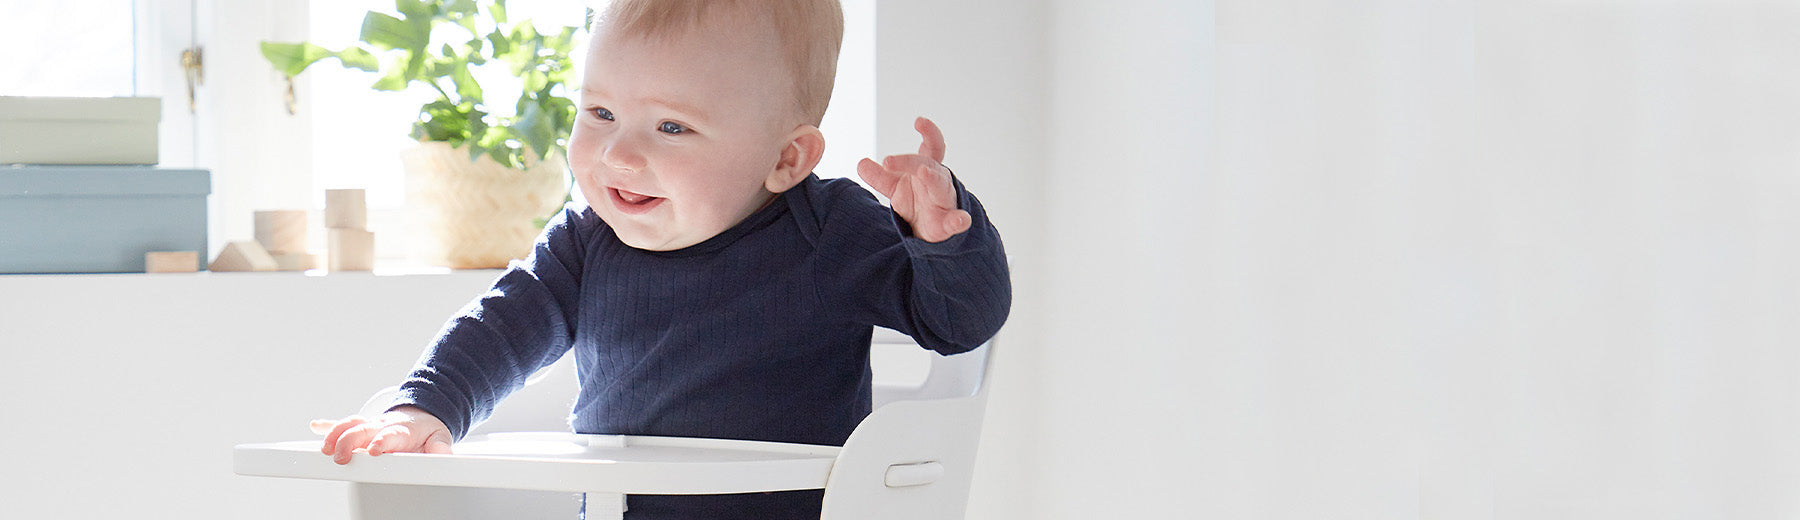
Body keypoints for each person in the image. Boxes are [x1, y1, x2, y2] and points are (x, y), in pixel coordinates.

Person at [312, 0, 1010, 517]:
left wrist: (944, 241)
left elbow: (958, 325)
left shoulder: (830, 231)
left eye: (671, 126)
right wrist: (427, 407)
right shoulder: (587, 241)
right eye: (600, 113)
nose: (619, 154)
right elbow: (499, 328)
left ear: (785, 158)